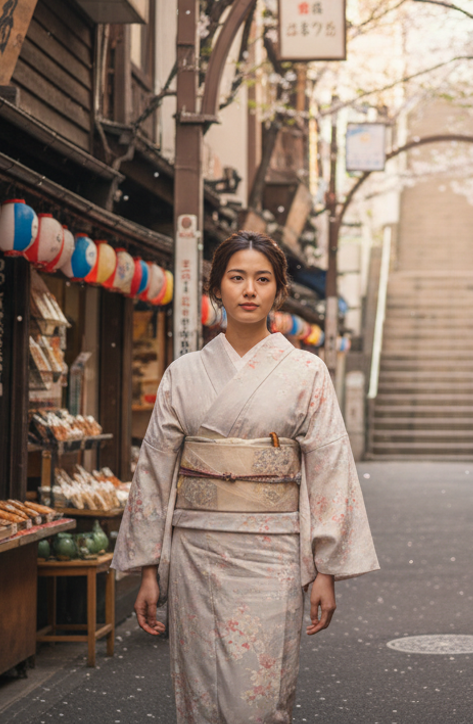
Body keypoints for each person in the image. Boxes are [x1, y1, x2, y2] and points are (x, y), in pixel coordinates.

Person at [113, 230, 378, 723]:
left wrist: (326, 570)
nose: (249, 290)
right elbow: (153, 470)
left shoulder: (306, 371)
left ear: (278, 290)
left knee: (260, 693)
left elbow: (329, 467)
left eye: (262, 279)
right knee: (199, 690)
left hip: (272, 550)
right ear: (217, 289)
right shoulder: (183, 373)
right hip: (195, 551)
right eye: (237, 278)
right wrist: (148, 569)